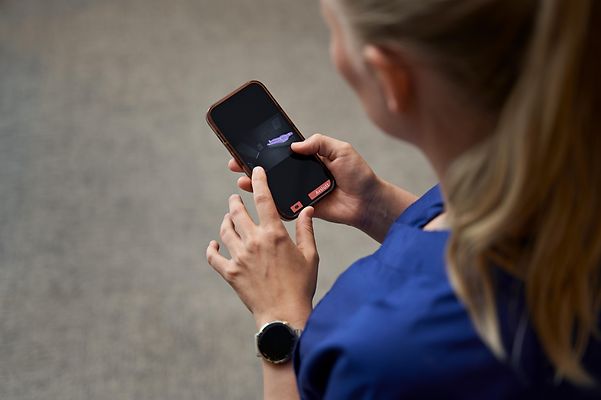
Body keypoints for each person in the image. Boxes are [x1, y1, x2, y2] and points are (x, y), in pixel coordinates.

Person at [206, 0, 601, 398]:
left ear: (390, 77)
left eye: (333, 29)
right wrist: (377, 206)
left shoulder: (371, 345)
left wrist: (279, 318)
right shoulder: (566, 180)